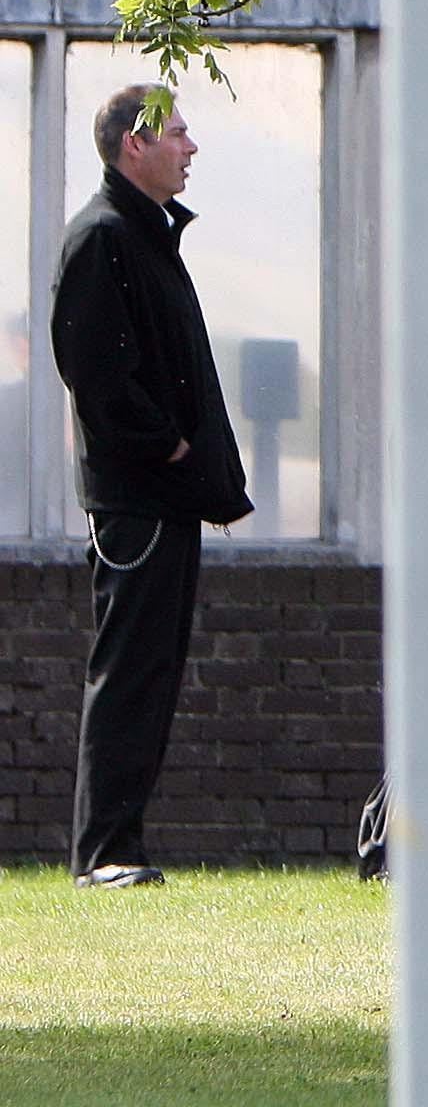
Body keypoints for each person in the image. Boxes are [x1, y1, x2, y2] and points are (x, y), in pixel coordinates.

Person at [50, 82, 252, 887]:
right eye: (177, 133)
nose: (191, 147)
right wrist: (164, 446)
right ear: (134, 145)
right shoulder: (103, 239)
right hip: (136, 500)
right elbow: (94, 370)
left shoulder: (143, 237)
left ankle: (121, 845)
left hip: (163, 497)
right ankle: (103, 853)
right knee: (128, 670)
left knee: (154, 671)